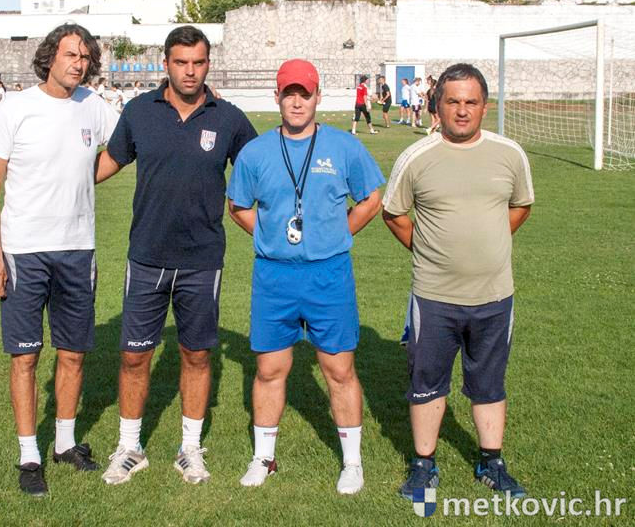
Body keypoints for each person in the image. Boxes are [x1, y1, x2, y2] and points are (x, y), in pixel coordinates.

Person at [94, 25, 257, 486]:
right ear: (165, 63)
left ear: (208, 64)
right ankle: (129, 447)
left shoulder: (228, 118)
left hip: (202, 259)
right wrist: (54, 177)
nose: (189, 71)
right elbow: (109, 162)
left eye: (198, 63)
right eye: (181, 62)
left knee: (197, 355)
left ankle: (189, 448)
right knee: (134, 357)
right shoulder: (139, 111)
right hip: (146, 255)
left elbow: (260, 167)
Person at [227, 59, 385, 493]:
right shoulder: (255, 152)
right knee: (269, 368)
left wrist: (337, 233)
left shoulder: (344, 146)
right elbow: (237, 206)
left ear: (318, 97)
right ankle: (263, 458)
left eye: (305, 94)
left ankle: (352, 463)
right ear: (276, 97)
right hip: (274, 275)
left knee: (338, 368)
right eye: (289, 94)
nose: (297, 102)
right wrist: (269, 236)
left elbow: (371, 199)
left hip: (328, 274)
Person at [0, 23, 119, 497]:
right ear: (50, 57)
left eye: (85, 57)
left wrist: (80, 177)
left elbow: (124, 148)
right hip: (23, 251)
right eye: (70, 55)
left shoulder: (94, 106)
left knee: (73, 353)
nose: (79, 64)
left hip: (78, 249)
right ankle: (28, 455)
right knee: (25, 356)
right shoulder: (17, 108)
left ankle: (64, 443)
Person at [381, 63, 534, 501]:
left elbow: (521, 206)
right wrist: (430, 252)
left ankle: (492, 463)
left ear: (485, 106)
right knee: (427, 382)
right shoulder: (417, 157)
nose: (462, 110)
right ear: (438, 106)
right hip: (434, 297)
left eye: (471, 102)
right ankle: (423, 467)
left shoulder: (510, 154)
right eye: (453, 102)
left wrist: (489, 244)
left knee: (489, 382)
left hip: (494, 295)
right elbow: (394, 213)